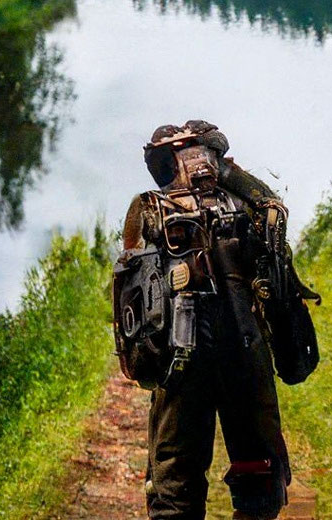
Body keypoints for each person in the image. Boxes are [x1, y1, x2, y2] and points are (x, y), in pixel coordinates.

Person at [114, 119, 310, 520]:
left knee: (179, 492)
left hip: (187, 365)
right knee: (253, 484)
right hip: (238, 356)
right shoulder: (250, 206)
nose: (196, 164)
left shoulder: (149, 209)